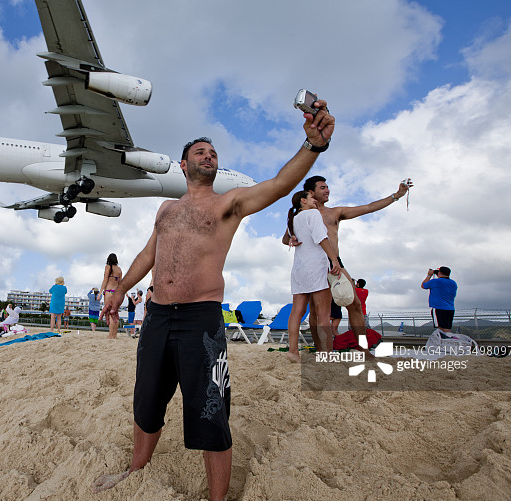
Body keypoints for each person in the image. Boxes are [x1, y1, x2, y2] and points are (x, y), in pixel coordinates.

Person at [94, 97, 334, 500]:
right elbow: (146, 255)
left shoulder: (229, 203)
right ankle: (137, 467)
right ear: (184, 165)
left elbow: (278, 185)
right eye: (199, 152)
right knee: (147, 399)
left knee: (210, 409)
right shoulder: (167, 209)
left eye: (213, 153)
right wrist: (117, 293)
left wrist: (313, 146)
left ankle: (217, 498)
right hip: (156, 316)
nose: (209, 156)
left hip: (200, 320)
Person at [283, 175, 412, 349]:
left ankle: (363, 349)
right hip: (314, 264)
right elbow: (286, 238)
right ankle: (321, 349)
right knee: (317, 311)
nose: (327, 190)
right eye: (322, 187)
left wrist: (396, 195)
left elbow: (368, 208)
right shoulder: (303, 215)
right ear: (310, 193)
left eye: (327, 187)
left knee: (355, 304)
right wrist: (291, 237)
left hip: (335, 261)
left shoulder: (334, 212)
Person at [285, 190, 341, 360]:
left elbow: (285, 239)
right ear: (303, 200)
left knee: (296, 311)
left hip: (299, 268)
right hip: (316, 266)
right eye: (312, 198)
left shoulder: (293, 219)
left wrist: (290, 239)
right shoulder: (313, 214)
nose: (315, 200)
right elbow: (321, 237)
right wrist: (334, 259)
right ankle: (326, 354)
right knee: (323, 313)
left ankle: (293, 351)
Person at [421, 266, 457, 333]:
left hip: (439, 308)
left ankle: (446, 342)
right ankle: (450, 340)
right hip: (450, 309)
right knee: (447, 328)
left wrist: (429, 275)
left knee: (441, 329)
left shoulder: (435, 281)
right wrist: (437, 273)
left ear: (439, 273)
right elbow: (443, 280)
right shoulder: (453, 283)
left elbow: (423, 285)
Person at [99, 253, 123, 339]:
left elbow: (105, 280)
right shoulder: (119, 269)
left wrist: (100, 292)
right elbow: (120, 283)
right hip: (116, 292)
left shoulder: (108, 267)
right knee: (115, 313)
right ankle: (114, 335)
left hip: (109, 291)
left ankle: (110, 335)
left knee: (109, 314)